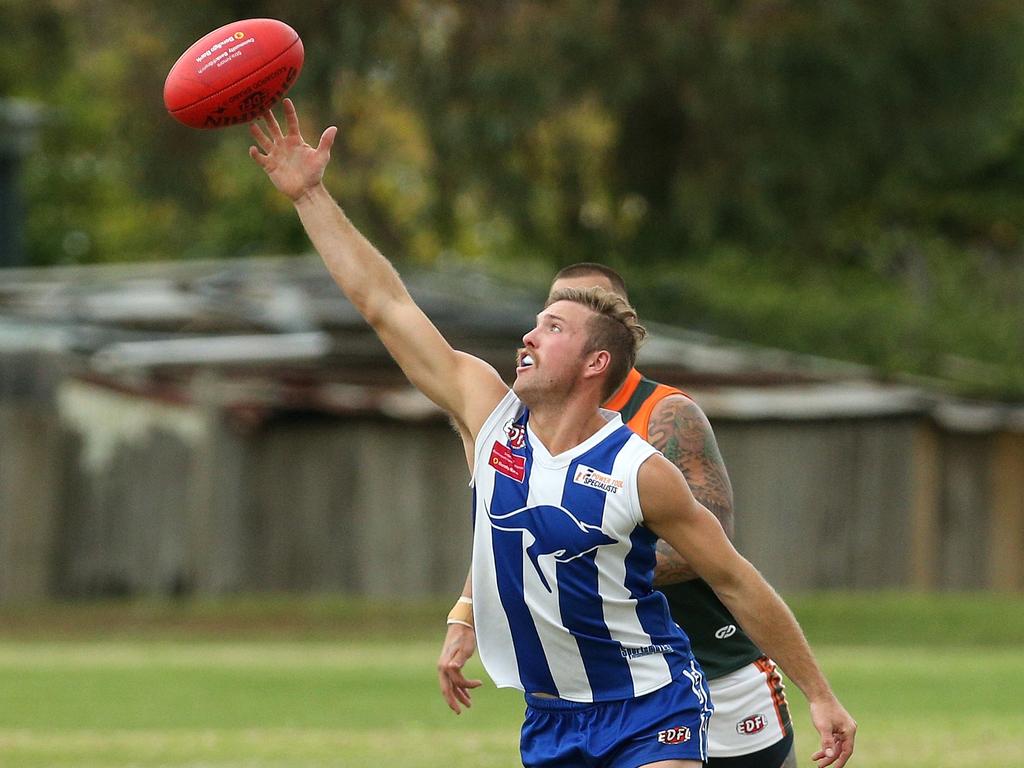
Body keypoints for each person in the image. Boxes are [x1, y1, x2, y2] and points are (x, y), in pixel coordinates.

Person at [248, 99, 856, 768]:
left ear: (597, 363)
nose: (529, 335)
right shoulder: (489, 416)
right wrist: (309, 195)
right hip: (554, 718)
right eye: (536, 321)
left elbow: (736, 581)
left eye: (555, 328)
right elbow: (386, 305)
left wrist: (821, 695)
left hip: (656, 705)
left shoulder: (640, 468)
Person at [440, 262, 798, 767]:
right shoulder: (532, 422)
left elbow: (708, 549)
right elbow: (517, 531)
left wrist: (586, 571)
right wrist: (467, 610)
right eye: (552, 312)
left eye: (579, 309)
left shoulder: (666, 413)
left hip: (709, 667)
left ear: (613, 330)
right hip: (600, 690)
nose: (543, 331)